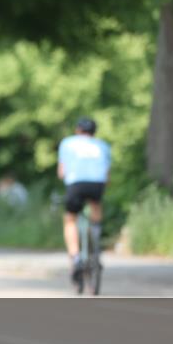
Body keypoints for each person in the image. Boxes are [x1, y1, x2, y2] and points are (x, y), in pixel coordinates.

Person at [57, 117, 112, 286]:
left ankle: (75, 257)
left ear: (78, 130)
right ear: (94, 132)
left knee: (70, 219)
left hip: (76, 184)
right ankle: (96, 235)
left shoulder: (67, 143)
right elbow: (107, 176)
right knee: (96, 204)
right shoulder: (103, 145)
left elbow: (62, 172)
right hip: (97, 183)